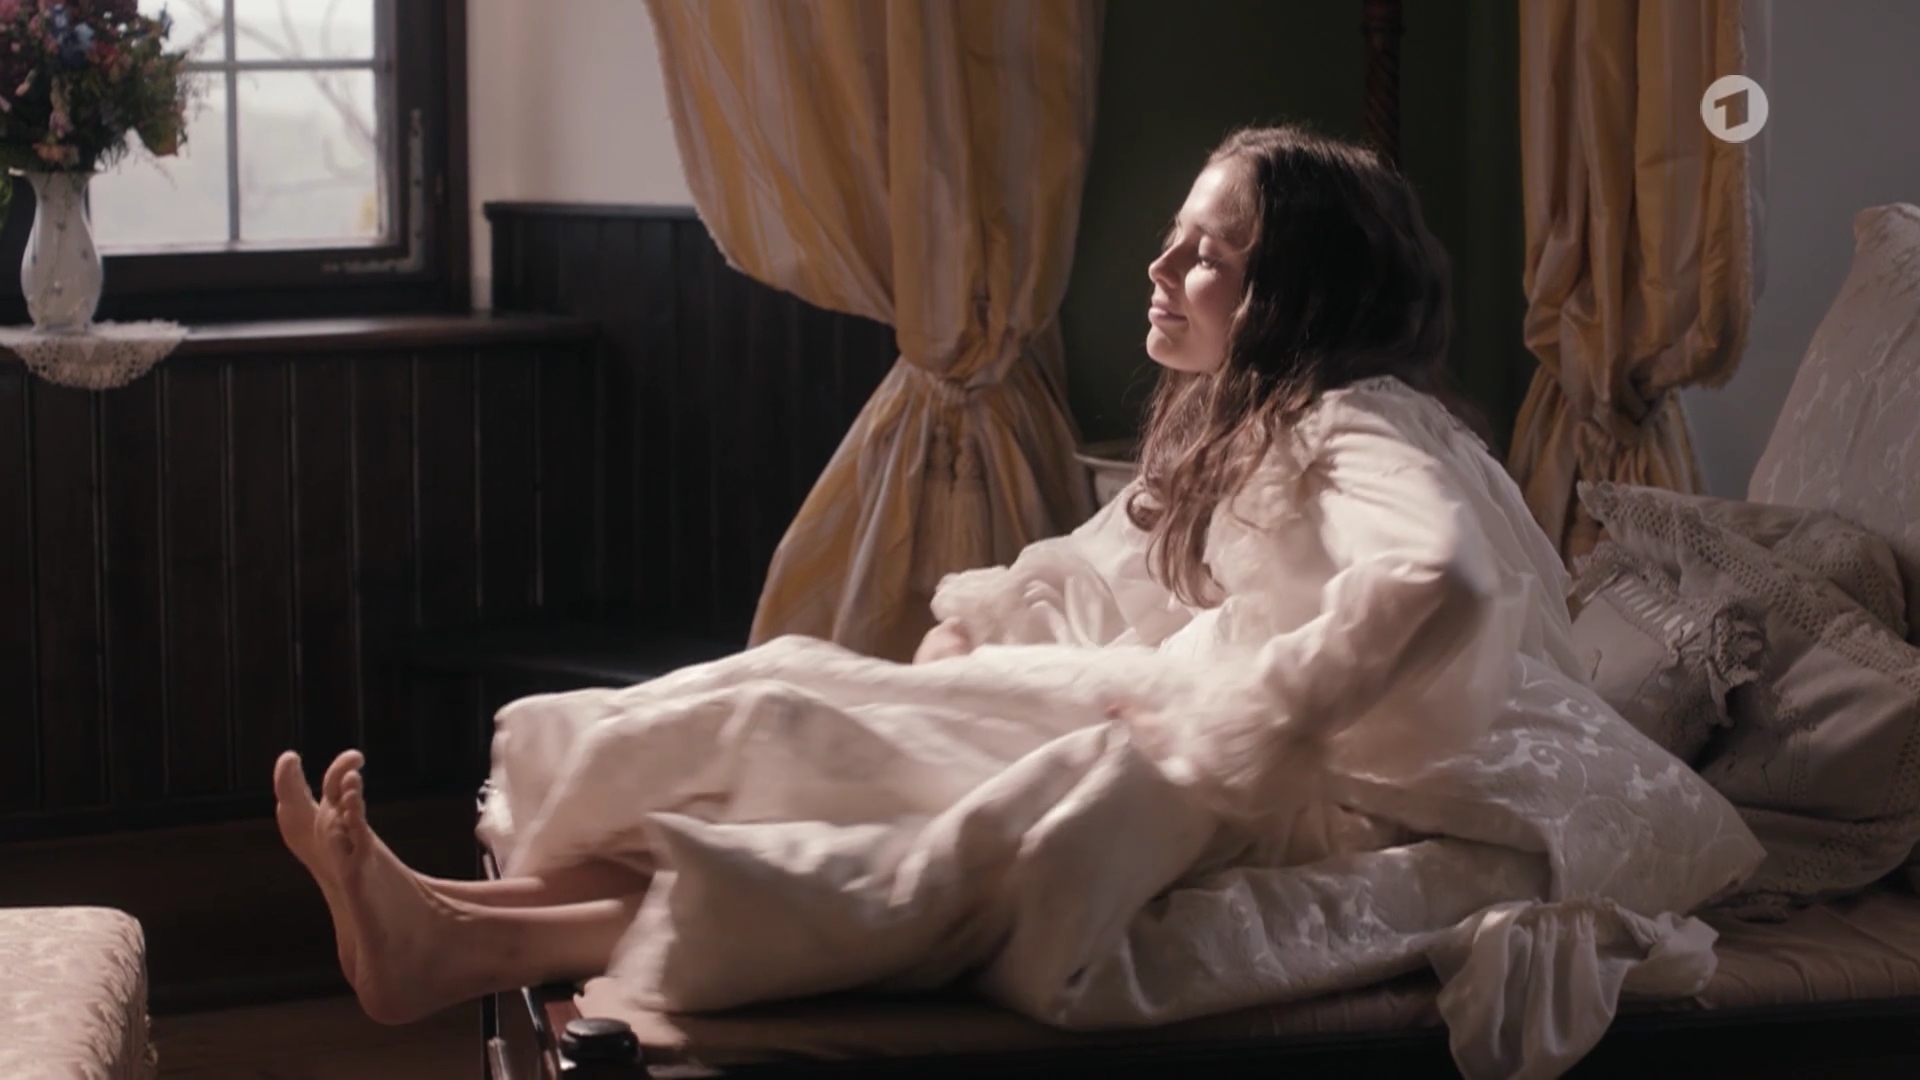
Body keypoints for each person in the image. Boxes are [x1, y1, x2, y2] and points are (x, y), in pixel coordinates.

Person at [274, 123, 1580, 1027]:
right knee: (796, 700)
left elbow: (1445, 577)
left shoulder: (1359, 422)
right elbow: (1112, 567)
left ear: (1297, 296)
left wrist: (1265, 713)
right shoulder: (1250, 420)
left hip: (1293, 775)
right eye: (1173, 237)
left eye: (1207, 255)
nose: (1159, 268)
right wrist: (996, 625)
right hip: (1177, 707)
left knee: (883, 792)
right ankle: (452, 914)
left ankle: (464, 940)